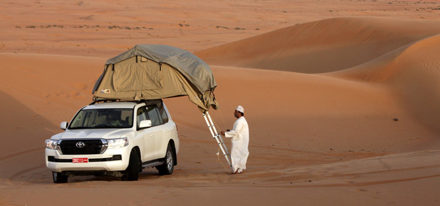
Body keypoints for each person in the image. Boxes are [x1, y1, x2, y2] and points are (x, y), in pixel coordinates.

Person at [221, 105, 249, 174]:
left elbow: (236, 132)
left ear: (239, 112)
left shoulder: (240, 121)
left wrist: (225, 134)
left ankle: (236, 170)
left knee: (235, 155)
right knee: (241, 154)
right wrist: (229, 131)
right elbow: (237, 131)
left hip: (239, 141)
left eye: (235, 112)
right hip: (241, 141)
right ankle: (239, 169)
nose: (234, 113)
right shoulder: (242, 120)